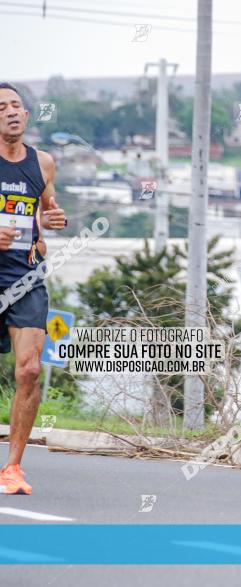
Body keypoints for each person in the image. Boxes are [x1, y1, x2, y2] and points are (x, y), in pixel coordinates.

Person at [0, 82, 66, 495]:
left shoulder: (42, 163)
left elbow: (46, 214)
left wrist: (53, 222)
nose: (10, 111)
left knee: (30, 368)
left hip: (24, 277)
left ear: (26, 116)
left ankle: (12, 468)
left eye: (16, 106)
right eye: (2, 106)